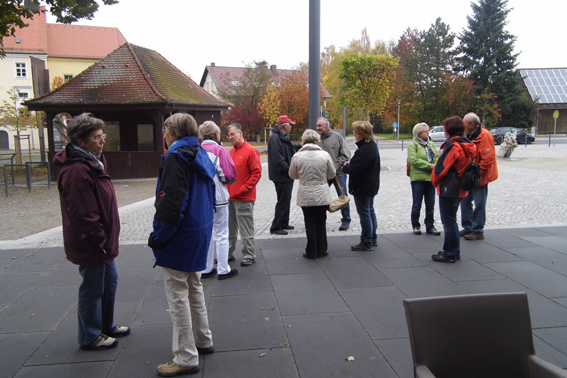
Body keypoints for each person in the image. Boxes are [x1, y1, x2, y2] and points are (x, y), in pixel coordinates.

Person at [52, 113, 130, 351]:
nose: (102, 141)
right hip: (92, 242)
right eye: (97, 137)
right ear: (81, 141)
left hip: (102, 240)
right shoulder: (77, 171)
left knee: (109, 283)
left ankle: (105, 325)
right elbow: (84, 213)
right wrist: (99, 238)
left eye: (102, 135)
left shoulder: (92, 162)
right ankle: (89, 336)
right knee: (93, 288)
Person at [148, 113, 216, 376]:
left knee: (177, 294)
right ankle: (203, 339)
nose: (163, 135)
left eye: (164, 130)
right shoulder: (200, 155)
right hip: (199, 231)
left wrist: (159, 237)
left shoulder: (176, 158)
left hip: (180, 234)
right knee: (194, 286)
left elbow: (171, 205)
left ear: (172, 132)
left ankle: (186, 356)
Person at [431, 116, 477, 263]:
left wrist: (434, 179)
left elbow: (442, 168)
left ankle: (449, 253)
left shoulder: (454, 146)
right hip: (460, 187)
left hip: (449, 187)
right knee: (452, 221)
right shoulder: (466, 144)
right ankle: (453, 250)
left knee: (449, 222)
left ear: (448, 130)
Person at [198, 121, 239, 280]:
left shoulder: (197, 150)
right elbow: (229, 176)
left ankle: (207, 268)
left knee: (207, 233)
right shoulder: (220, 150)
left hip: (202, 199)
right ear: (216, 135)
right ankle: (223, 268)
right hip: (219, 197)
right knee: (222, 232)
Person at [289, 129, 336, 259]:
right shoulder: (325, 155)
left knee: (309, 222)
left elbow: (292, 175)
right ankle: (322, 249)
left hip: (306, 192)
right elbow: (332, 174)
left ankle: (311, 251)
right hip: (322, 193)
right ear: (317, 140)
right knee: (321, 221)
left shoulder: (297, 156)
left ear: (303, 140)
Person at [225, 123, 262, 266]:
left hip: (244, 197)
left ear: (241, 133)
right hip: (231, 196)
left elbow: (256, 173)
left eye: (233, 134)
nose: (230, 137)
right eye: (228, 135)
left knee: (245, 227)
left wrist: (243, 189)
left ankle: (249, 254)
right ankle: (228, 253)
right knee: (230, 228)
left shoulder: (251, 151)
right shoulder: (231, 152)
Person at [342, 121, 381, 251]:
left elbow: (357, 169)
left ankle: (366, 241)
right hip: (370, 185)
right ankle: (372, 238)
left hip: (362, 186)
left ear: (363, 134)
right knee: (370, 211)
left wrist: (346, 168)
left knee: (365, 213)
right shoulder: (371, 146)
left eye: (356, 133)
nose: (354, 135)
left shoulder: (365, 149)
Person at [460, 112, 498, 240]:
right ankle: (468, 227)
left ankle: (478, 229)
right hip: (470, 174)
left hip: (479, 176)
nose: (462, 125)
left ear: (472, 124)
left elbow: (488, 159)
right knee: (465, 200)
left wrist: (476, 173)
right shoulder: (468, 135)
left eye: (464, 123)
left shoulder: (485, 136)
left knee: (479, 203)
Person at [316, 117, 352, 231]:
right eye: (317, 126)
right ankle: (320, 220)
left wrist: (335, 167)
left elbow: (346, 154)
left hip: (338, 174)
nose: (317, 128)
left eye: (320, 126)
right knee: (320, 197)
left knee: (343, 196)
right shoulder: (316, 139)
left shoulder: (337, 137)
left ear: (327, 126)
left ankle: (346, 220)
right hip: (323, 175)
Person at [408, 122, 441, 236]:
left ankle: (430, 225)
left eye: (428, 131)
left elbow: (437, 157)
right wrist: (430, 166)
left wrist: (435, 165)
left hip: (430, 178)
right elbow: (414, 160)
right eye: (425, 131)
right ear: (418, 133)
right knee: (417, 204)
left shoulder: (431, 144)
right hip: (418, 178)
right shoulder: (413, 145)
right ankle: (416, 225)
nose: (428, 133)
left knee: (430, 204)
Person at [267, 115, 296, 235]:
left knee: (286, 199)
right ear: (284, 126)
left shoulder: (281, 137)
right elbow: (278, 160)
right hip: (282, 176)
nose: (291, 127)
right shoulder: (275, 138)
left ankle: (284, 222)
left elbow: (289, 150)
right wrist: (290, 170)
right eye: (290, 124)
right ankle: (276, 226)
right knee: (283, 201)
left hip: (285, 175)